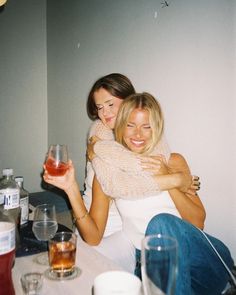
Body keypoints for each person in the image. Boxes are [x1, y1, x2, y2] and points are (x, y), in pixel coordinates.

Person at [44, 92, 234, 295]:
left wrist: (166, 178)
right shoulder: (110, 174)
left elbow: (197, 221)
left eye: (146, 126)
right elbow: (93, 238)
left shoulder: (173, 161)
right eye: (131, 125)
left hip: (204, 263)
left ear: (157, 128)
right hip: (155, 267)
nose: (138, 134)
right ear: (121, 125)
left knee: (161, 223)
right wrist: (71, 188)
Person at [81, 73, 198, 272]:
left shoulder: (156, 145)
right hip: (100, 227)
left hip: (122, 232)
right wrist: (176, 179)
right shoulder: (99, 135)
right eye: (99, 107)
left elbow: (154, 158)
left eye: (110, 104)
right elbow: (119, 184)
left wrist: (172, 176)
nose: (104, 113)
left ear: (128, 102)